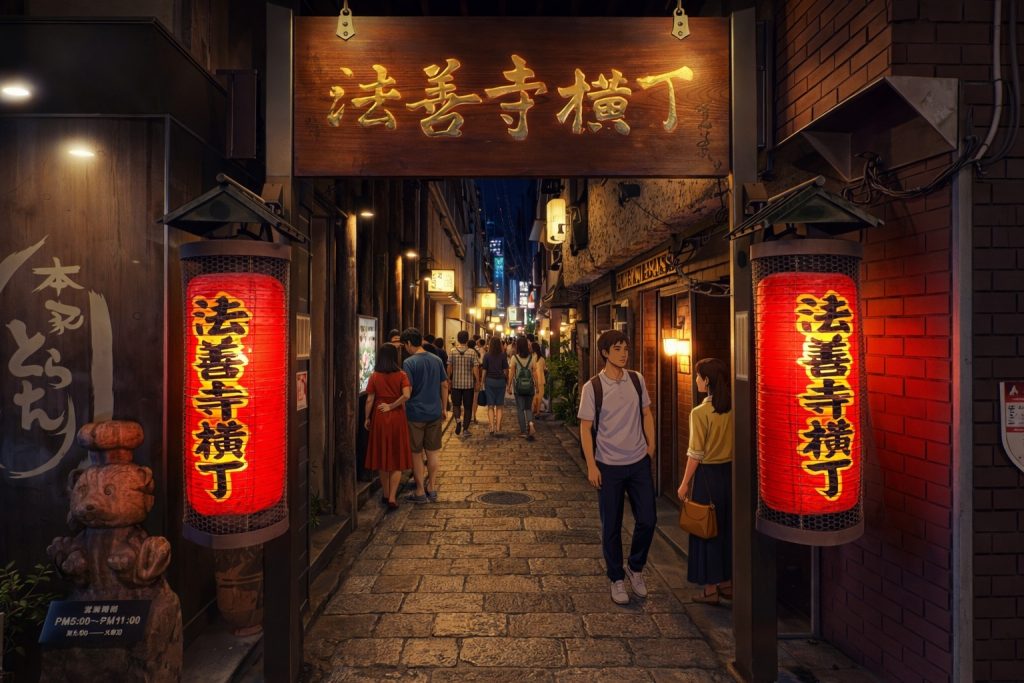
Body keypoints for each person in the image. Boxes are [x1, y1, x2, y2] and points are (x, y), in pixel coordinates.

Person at [578, 330, 657, 606]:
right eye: (617, 349)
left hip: (637, 463)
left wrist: (651, 446)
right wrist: (591, 465)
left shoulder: (636, 380)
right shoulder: (593, 388)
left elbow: (646, 413)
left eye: (625, 348)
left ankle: (634, 568)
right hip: (608, 465)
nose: (623, 353)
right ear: (604, 353)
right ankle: (616, 578)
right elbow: (586, 428)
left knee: (648, 519)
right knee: (611, 525)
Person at [677, 357, 734, 604]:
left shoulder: (700, 412)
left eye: (699, 376)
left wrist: (684, 483)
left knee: (706, 529)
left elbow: (695, 453)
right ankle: (727, 583)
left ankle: (710, 589)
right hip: (731, 475)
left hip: (707, 476)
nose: (696, 380)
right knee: (727, 528)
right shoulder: (734, 408)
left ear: (707, 380)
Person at [401, 327, 449, 503]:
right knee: (433, 453)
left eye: (404, 345)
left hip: (415, 414)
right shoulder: (436, 360)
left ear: (408, 343)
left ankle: (420, 491)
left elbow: (409, 390)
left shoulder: (409, 363)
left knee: (416, 453)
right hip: (434, 412)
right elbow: (444, 385)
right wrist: (444, 408)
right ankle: (432, 487)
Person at [363, 344, 412, 510]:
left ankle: (385, 494)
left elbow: (370, 399)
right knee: (396, 459)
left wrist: (366, 418)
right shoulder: (402, 375)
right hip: (397, 417)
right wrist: (392, 405)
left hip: (380, 416)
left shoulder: (375, 376)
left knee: (382, 457)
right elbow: (406, 395)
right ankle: (392, 497)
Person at [448, 330, 481, 437]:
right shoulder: (472, 352)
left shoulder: (452, 351)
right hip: (468, 384)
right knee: (467, 407)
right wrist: (477, 381)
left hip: (456, 384)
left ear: (458, 339)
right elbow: (475, 368)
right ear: (467, 339)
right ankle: (465, 429)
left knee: (456, 405)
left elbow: (449, 366)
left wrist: (449, 379)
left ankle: (458, 420)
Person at [508, 336, 539, 440]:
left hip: (519, 387)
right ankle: (530, 423)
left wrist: (509, 386)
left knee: (520, 409)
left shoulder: (514, 358)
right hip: (530, 387)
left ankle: (523, 431)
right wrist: (537, 385)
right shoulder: (532, 358)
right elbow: (534, 372)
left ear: (518, 346)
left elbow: (511, 373)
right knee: (528, 408)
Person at [480, 336, 509, 436]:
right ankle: (498, 428)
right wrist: (506, 380)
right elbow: (506, 370)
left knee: (490, 406)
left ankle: (491, 426)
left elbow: (484, 370)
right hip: (500, 381)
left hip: (490, 381)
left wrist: (482, 382)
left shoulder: (487, 355)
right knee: (500, 406)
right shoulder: (503, 355)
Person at [530, 341, 547, 416]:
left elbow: (532, 369)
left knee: (535, 395)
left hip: (534, 379)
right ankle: (537, 411)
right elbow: (544, 368)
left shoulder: (533, 358)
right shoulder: (542, 358)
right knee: (540, 395)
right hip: (541, 379)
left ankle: (535, 410)